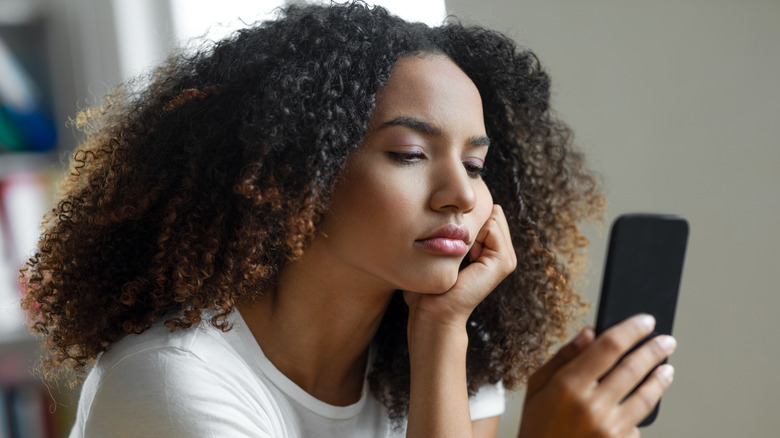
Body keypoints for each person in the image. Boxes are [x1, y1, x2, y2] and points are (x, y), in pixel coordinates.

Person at [20, 2, 676, 437]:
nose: (459, 194)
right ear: (295, 171)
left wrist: (443, 333)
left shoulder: (438, 344)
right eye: (409, 153)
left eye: (476, 166)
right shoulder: (171, 385)